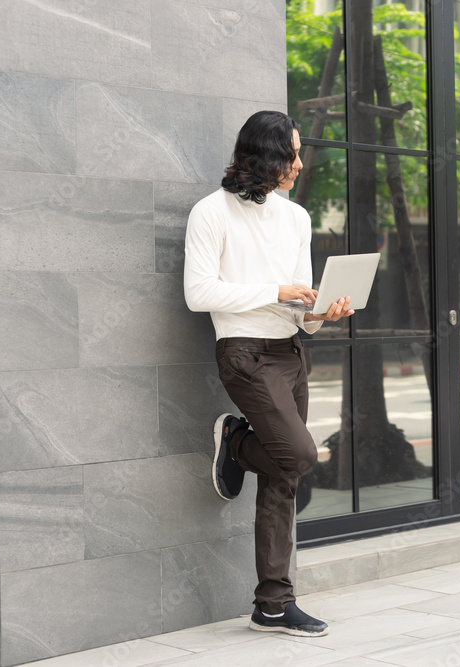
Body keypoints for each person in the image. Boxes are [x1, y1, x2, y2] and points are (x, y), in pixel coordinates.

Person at [183, 110, 353, 636]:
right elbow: (199, 293)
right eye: (293, 155)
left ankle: (273, 604)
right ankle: (235, 441)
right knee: (299, 453)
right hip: (244, 353)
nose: (300, 165)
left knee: (284, 476)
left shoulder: (296, 218)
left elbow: (299, 301)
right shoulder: (211, 213)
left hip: (290, 351)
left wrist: (321, 314)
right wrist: (274, 291)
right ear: (265, 156)